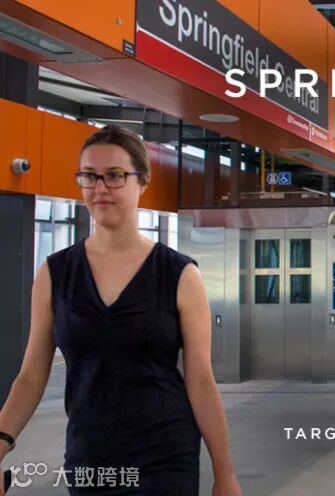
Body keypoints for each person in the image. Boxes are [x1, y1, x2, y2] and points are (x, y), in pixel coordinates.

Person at [0, 125, 242, 496]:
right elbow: (31, 376)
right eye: (89, 176)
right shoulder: (55, 274)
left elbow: (200, 380)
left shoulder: (179, 274)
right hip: (90, 459)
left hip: (166, 458)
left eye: (114, 175)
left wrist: (225, 474)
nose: (100, 188)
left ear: (142, 181)